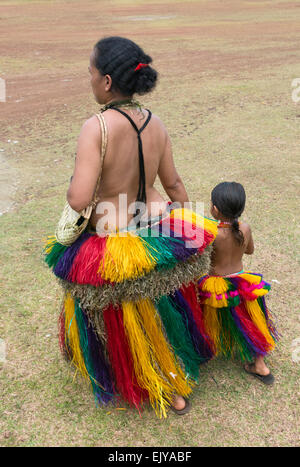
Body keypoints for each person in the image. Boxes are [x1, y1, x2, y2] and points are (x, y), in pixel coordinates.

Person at [44, 36, 218, 417]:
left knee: (126, 310)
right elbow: (172, 184)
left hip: (113, 236)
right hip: (154, 226)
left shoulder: (97, 127)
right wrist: (187, 229)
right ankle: (173, 380)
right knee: (158, 305)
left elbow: (78, 198)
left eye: (90, 73)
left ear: (106, 81)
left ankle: (152, 378)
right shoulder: (155, 122)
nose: (88, 80)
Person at [197, 182, 279, 384]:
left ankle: (205, 350)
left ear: (214, 209)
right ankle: (260, 364)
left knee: (202, 316)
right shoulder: (245, 228)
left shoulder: (211, 232)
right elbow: (249, 251)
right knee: (252, 321)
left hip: (216, 285)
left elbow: (201, 258)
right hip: (242, 281)